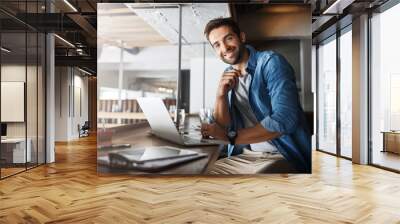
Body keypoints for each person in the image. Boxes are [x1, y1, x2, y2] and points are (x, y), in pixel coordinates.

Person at [201, 17, 311, 173]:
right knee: (205, 174)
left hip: (281, 155)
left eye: (229, 38)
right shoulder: (228, 74)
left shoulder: (271, 62)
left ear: (242, 37)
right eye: (217, 45)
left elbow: (285, 119)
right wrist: (221, 95)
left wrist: (232, 137)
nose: (224, 48)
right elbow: (222, 127)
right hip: (246, 155)